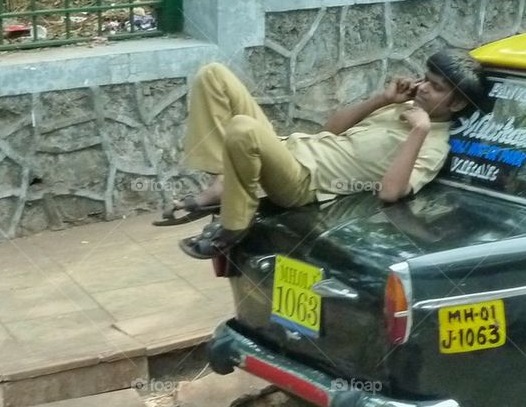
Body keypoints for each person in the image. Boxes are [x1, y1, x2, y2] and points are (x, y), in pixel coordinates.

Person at [167, 51, 485, 258]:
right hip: (292, 147)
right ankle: (221, 184)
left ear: (456, 104)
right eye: (425, 79)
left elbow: (390, 193)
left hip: (303, 182)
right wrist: (382, 100)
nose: (425, 88)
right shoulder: (402, 107)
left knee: (242, 128)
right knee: (213, 75)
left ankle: (235, 223)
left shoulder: (433, 144)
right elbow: (329, 129)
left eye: (437, 88)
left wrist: (419, 132)